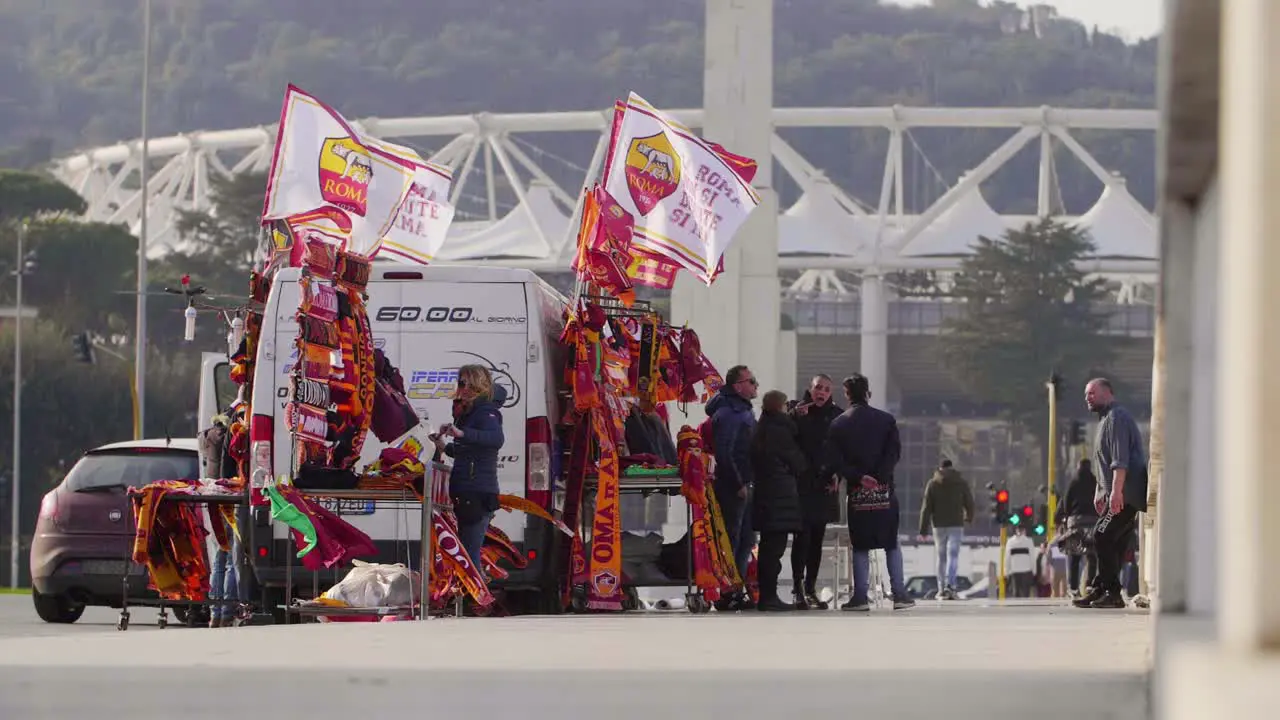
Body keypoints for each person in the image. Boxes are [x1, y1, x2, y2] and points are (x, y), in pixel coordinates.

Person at [822, 374, 914, 612]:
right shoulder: (886, 420)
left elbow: (834, 461)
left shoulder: (839, 424)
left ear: (847, 394)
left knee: (860, 545)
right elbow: (893, 454)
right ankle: (900, 594)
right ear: (868, 393)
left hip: (857, 492)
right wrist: (880, 477)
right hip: (884, 491)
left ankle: (860, 597)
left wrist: (859, 478)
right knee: (891, 542)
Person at [1075, 378, 1148, 609]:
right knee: (1114, 542)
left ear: (1108, 393)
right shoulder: (1105, 420)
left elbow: (1120, 461)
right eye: (1086, 394)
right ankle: (1100, 588)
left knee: (1101, 535)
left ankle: (1112, 592)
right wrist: (1101, 490)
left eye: (1092, 393)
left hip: (1127, 492)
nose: (1088, 397)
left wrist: (1116, 493)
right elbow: (1104, 463)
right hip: (1119, 491)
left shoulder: (1116, 418)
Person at [432, 364, 506, 571]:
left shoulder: (486, 411)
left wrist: (462, 434)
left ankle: (476, 600)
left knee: (469, 556)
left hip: (477, 492)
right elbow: (467, 450)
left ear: (476, 384)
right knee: (465, 553)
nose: (460, 387)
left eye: (464, 383)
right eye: (459, 382)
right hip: (466, 490)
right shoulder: (469, 412)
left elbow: (495, 439)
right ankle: (469, 598)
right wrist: (444, 446)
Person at [706, 364, 759, 610]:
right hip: (734, 487)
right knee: (732, 538)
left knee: (747, 538)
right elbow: (725, 453)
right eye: (751, 381)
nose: (755, 385)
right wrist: (738, 483)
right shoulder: (728, 413)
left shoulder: (742, 410)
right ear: (738, 386)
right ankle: (727, 591)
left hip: (747, 483)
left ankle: (737, 588)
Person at [749, 390, 807, 612]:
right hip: (780, 497)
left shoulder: (761, 428)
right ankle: (769, 597)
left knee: (767, 549)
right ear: (780, 407)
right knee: (774, 551)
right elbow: (798, 462)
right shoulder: (781, 431)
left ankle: (767, 595)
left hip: (765, 495)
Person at [788, 374, 842, 609]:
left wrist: (839, 474)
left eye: (826, 389)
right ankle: (797, 588)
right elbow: (781, 437)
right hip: (801, 485)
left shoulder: (837, 416)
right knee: (802, 538)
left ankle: (810, 588)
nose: (822, 392)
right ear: (810, 389)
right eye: (818, 388)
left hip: (825, 485)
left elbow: (844, 450)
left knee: (817, 539)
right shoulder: (796, 411)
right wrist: (793, 418)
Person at [917, 458, 975, 600]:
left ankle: (941, 589)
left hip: (938, 526)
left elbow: (926, 508)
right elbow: (969, 502)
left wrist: (923, 530)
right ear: (951, 467)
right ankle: (952, 586)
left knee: (941, 557)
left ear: (940, 468)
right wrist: (969, 517)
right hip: (956, 524)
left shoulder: (932, 483)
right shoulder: (960, 482)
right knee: (953, 555)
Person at [1057, 457, 1100, 597]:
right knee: (1092, 554)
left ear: (1078, 467)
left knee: (1074, 555)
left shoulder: (1073, 482)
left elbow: (1066, 501)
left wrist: (1067, 517)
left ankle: (1074, 588)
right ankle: (1089, 584)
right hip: (1093, 521)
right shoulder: (1095, 481)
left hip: (1076, 522)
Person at [1004, 525, 1036, 598]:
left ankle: (1017, 607)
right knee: (1025, 593)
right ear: (1024, 531)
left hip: (1015, 570)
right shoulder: (1029, 541)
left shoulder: (1010, 542)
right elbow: (1032, 557)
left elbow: (1007, 558)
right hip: (1026, 570)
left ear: (1016, 531)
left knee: (1016, 593)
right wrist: (1034, 571)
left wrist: (1006, 571)